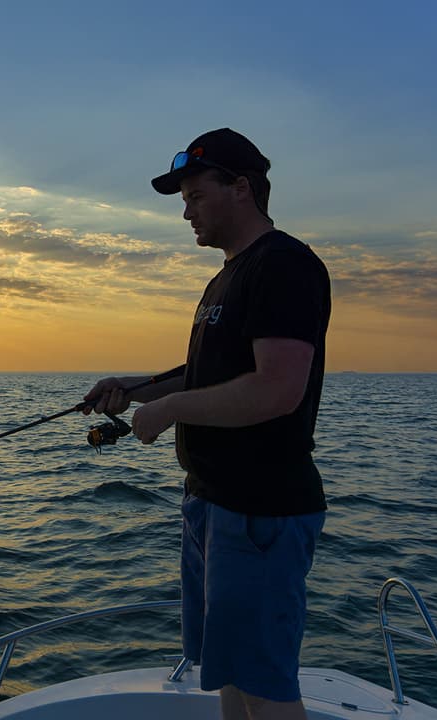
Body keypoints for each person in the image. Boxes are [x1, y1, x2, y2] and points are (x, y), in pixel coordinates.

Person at [83, 128, 330, 720]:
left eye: (196, 196)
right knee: (229, 675)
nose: (187, 212)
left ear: (240, 188)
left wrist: (166, 412)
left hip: (260, 512)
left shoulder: (285, 265)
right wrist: (138, 390)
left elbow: (277, 388)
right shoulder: (227, 276)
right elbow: (206, 373)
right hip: (212, 507)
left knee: (266, 688)